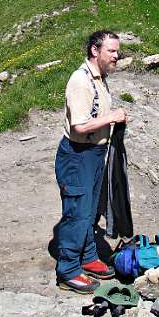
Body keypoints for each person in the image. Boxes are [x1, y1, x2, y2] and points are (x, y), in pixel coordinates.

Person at [54, 30, 127, 293]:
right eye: (112, 51)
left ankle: (87, 257)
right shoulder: (81, 81)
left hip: (94, 155)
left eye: (117, 51)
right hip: (77, 155)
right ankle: (68, 271)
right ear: (95, 51)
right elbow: (79, 126)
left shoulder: (99, 78)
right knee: (78, 213)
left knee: (90, 211)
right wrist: (113, 118)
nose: (117, 56)